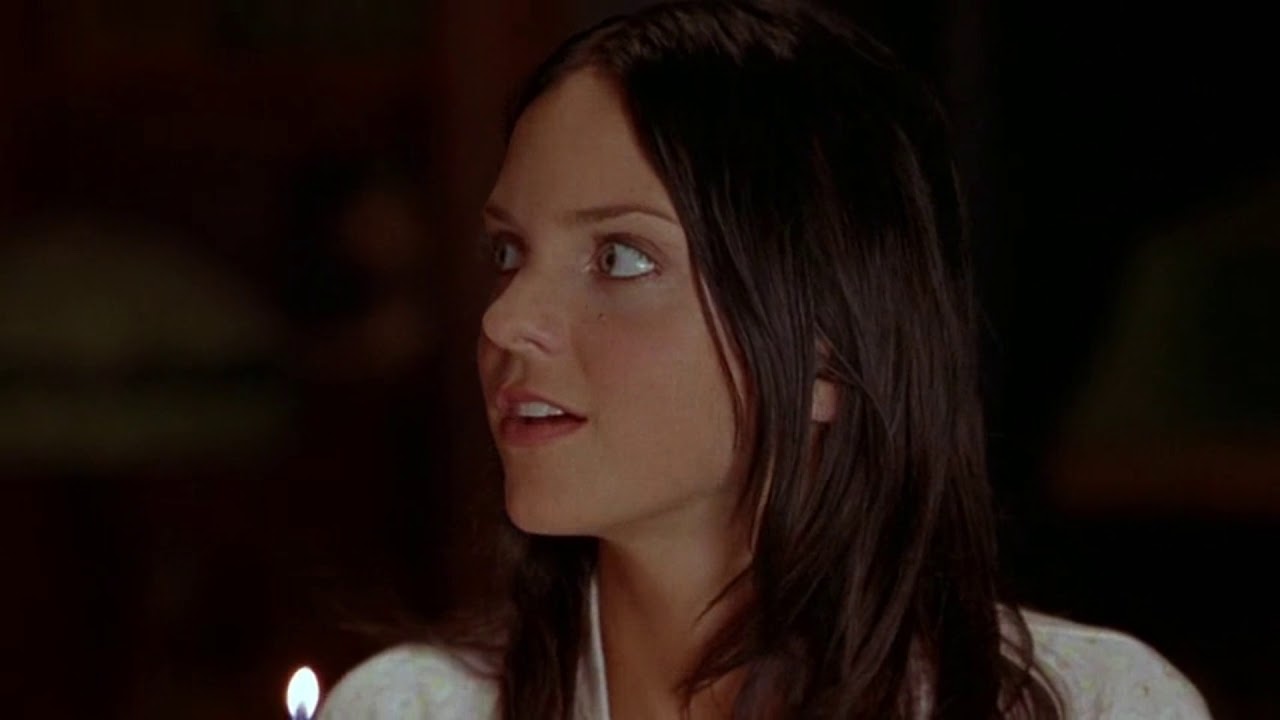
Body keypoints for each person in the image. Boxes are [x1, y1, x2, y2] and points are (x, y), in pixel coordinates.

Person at [318, 1, 1210, 717]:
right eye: (509, 252)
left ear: (827, 355)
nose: (506, 319)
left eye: (620, 257)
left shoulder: (1094, 704)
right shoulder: (407, 709)